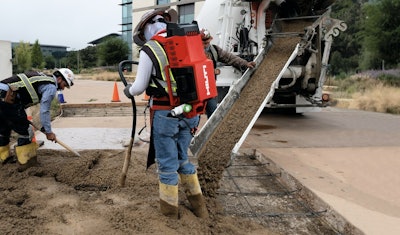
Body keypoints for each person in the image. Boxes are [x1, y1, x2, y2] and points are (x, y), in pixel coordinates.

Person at [125, 8, 209, 219]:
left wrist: (128, 90)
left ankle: (170, 213)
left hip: (166, 113)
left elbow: (139, 86)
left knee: (167, 164)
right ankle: (200, 208)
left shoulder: (150, 48)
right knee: (183, 159)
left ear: (148, 27)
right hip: (191, 110)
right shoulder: (189, 40)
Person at [0, 68, 75, 171]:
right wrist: (48, 132)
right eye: (65, 85)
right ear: (59, 79)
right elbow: (45, 110)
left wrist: (44, 128)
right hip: (8, 98)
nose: (63, 88)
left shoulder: (43, 78)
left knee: (4, 128)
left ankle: (3, 158)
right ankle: (26, 164)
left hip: (4, 96)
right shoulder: (51, 87)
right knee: (26, 132)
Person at [200, 28, 256, 118]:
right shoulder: (192, 52)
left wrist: (245, 63)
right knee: (194, 114)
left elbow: (229, 57)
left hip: (209, 88)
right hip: (196, 88)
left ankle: (212, 131)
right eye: (204, 43)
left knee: (213, 111)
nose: (206, 45)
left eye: (208, 42)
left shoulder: (214, 50)